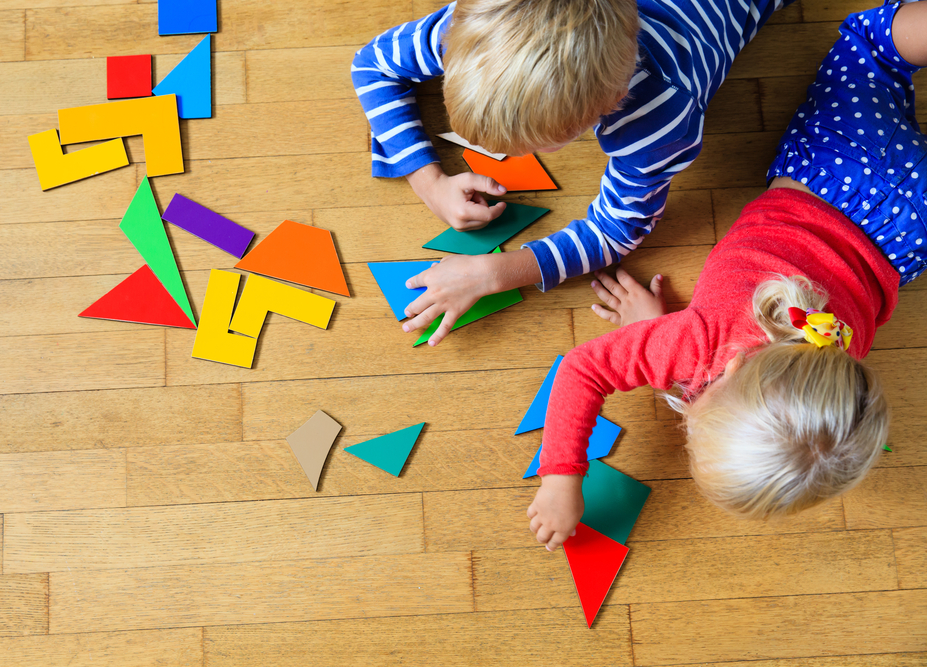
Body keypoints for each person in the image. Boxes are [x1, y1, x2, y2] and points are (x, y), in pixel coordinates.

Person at [527, 0, 927, 552]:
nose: (687, 412)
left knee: (875, 49)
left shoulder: (833, 381)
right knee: (874, 42)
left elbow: (591, 370)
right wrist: (562, 476)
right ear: (733, 365)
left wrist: (656, 332)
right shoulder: (700, 344)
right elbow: (582, 370)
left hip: (909, 231)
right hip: (840, 164)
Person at [352, 0, 798, 346]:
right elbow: (370, 64)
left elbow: (617, 231)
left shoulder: (660, 113)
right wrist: (427, 181)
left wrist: (495, 274)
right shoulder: (478, 27)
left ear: (613, 101)